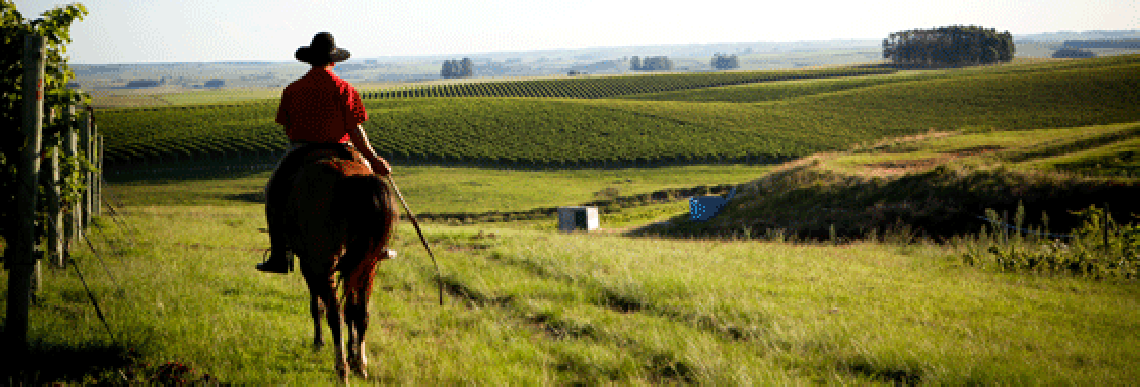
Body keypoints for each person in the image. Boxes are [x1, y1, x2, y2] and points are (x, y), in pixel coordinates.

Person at [255, 32, 392, 273]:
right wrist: (373, 159)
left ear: (310, 60)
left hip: (302, 149)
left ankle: (279, 254)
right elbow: (355, 129)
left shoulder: (292, 89)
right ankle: (377, 245)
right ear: (334, 61)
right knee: (372, 186)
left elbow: (287, 127)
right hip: (342, 149)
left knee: (273, 190)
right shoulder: (344, 88)